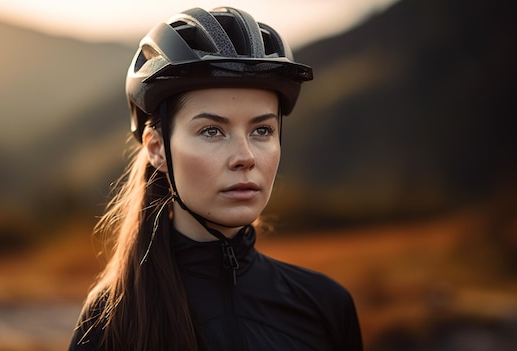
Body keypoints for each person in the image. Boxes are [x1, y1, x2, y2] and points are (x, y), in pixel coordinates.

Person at [69, 6, 362, 351]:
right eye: (212, 131)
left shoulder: (326, 305)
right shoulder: (110, 319)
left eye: (262, 130)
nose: (245, 157)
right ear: (158, 149)